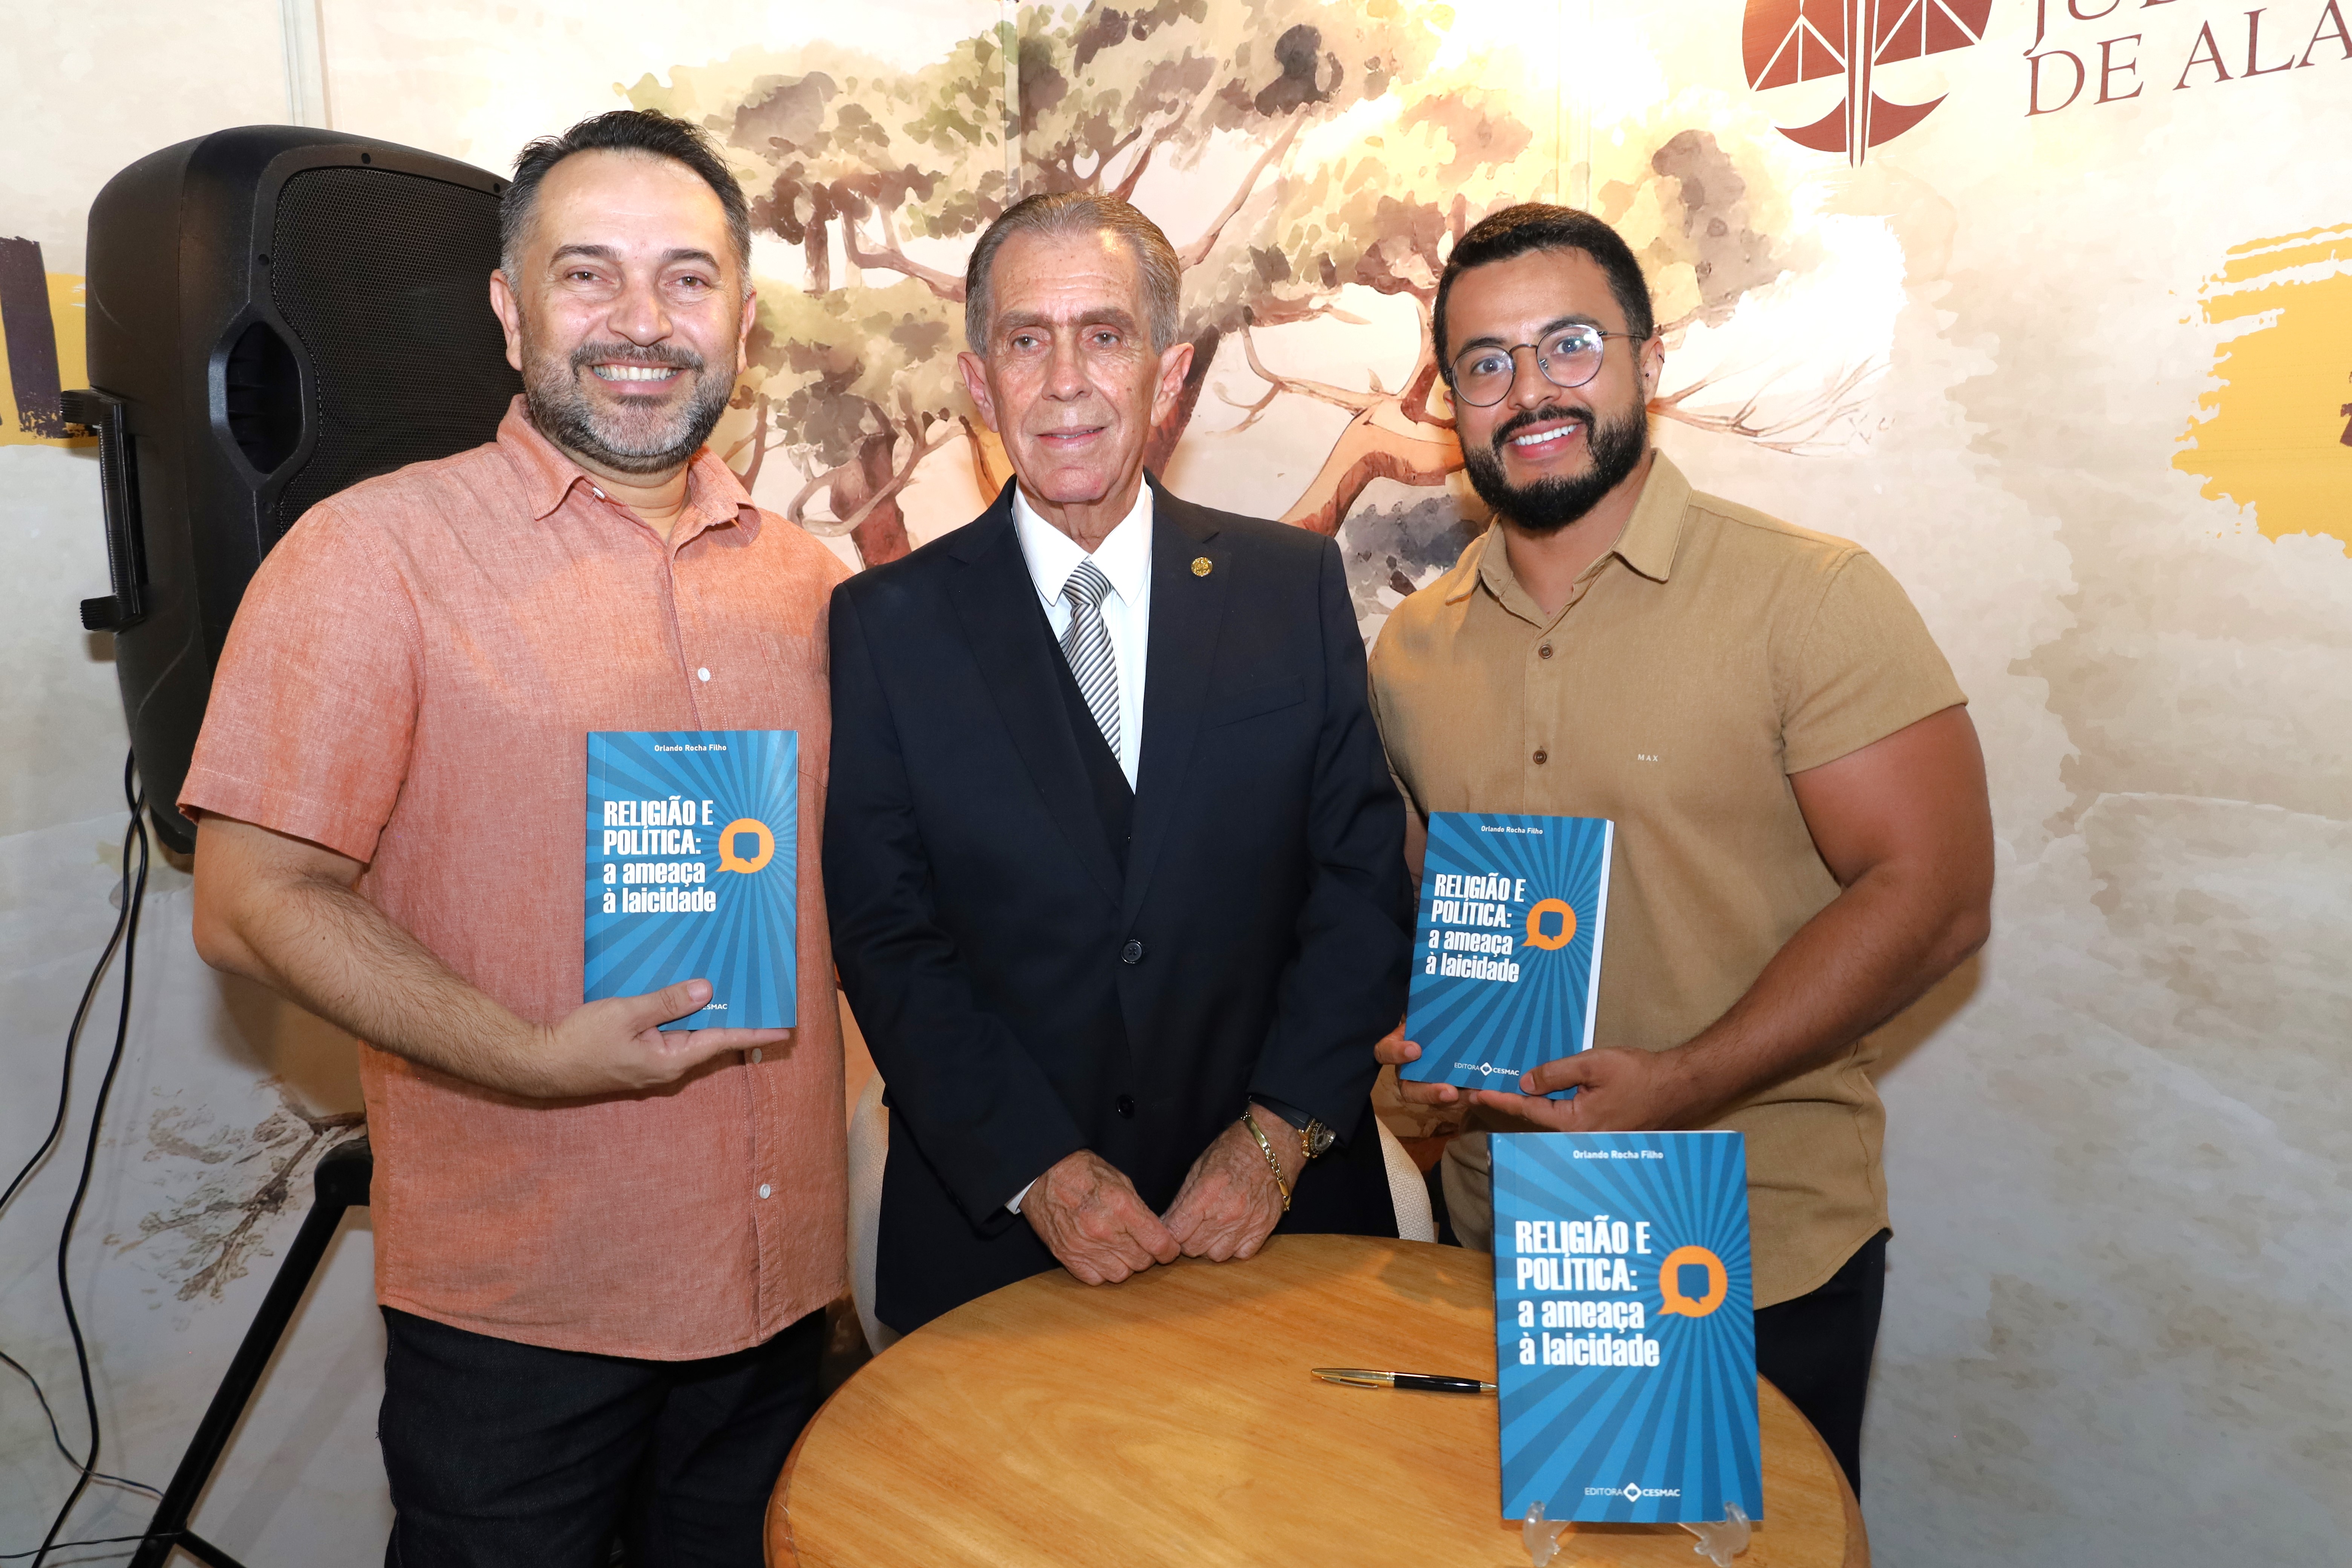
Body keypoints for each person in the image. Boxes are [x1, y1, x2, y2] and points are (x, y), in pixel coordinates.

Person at [183, 110, 847, 1567]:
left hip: (775, 1296)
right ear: (509, 310)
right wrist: (530, 1057)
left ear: (743, 319)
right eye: (587, 274)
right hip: (523, 1320)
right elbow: (248, 896)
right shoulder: (371, 556)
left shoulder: (813, 582)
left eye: (686, 279)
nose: (642, 323)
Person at [1371, 204, 1992, 1493]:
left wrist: (1686, 1079)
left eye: (1569, 346)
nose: (1530, 391)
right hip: (1509, 1249)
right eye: (1487, 363)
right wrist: (1425, 1066)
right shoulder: (1412, 649)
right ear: (1454, 404)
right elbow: (1442, 917)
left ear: (1648, 362)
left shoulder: (1810, 597)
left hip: (1744, 1245)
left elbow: (1937, 896)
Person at [824, 192, 1410, 1333]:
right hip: (998, 1241)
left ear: (1168, 371)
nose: (1066, 382)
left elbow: (1360, 884)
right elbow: (888, 934)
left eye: (1104, 335)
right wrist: (1037, 1169)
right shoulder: (887, 624)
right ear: (979, 381)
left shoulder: (1289, 589)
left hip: (1283, 1225)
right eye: (1025, 341)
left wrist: (1275, 1139)